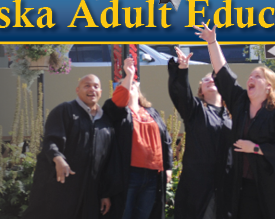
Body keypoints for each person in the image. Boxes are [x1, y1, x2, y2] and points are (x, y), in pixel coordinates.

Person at [194, 23, 275, 219]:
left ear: (269, 87)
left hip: (274, 188)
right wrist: (212, 42)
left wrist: (255, 148)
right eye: (250, 76)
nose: (250, 79)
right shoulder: (240, 103)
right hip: (244, 186)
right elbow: (223, 73)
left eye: (257, 76)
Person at [23, 74, 118, 219]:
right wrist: (58, 158)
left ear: (101, 92)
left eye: (96, 86)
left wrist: (105, 193)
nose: (92, 89)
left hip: (90, 190)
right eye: (87, 85)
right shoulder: (65, 110)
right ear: (77, 90)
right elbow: (50, 140)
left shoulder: (105, 121)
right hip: (61, 185)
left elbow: (107, 162)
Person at [102, 57, 173, 219]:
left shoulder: (151, 112)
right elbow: (120, 99)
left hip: (153, 175)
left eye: (133, 84)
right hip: (129, 174)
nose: (129, 85)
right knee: (124, 214)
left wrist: (168, 168)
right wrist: (129, 75)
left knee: (145, 215)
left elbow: (166, 140)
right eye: (124, 84)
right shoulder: (116, 111)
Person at [167, 47, 233, 219]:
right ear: (201, 90)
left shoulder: (233, 116)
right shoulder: (195, 111)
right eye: (205, 80)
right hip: (198, 186)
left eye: (214, 78)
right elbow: (182, 94)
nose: (210, 80)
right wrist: (182, 70)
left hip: (226, 186)